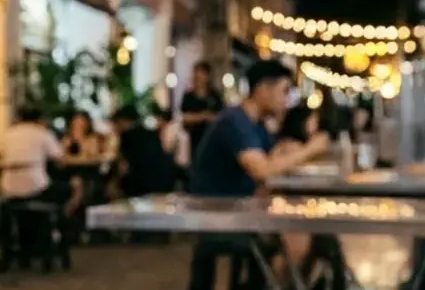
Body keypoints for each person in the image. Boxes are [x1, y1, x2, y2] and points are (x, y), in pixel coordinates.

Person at [191, 59, 330, 197]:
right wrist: (310, 150)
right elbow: (262, 170)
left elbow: (269, 158)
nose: (286, 100)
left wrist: (285, 149)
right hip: (214, 211)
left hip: (236, 209)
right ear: (263, 89)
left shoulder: (257, 124)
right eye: (284, 91)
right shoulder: (235, 121)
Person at [114, 104, 176, 197]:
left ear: (121, 121)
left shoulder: (127, 136)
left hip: (140, 183)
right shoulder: (149, 133)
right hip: (164, 178)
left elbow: (124, 167)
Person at [179, 61, 224, 162]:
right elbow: (184, 117)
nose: (197, 77)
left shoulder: (214, 96)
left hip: (213, 140)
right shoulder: (189, 96)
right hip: (195, 140)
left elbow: (221, 116)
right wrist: (203, 116)